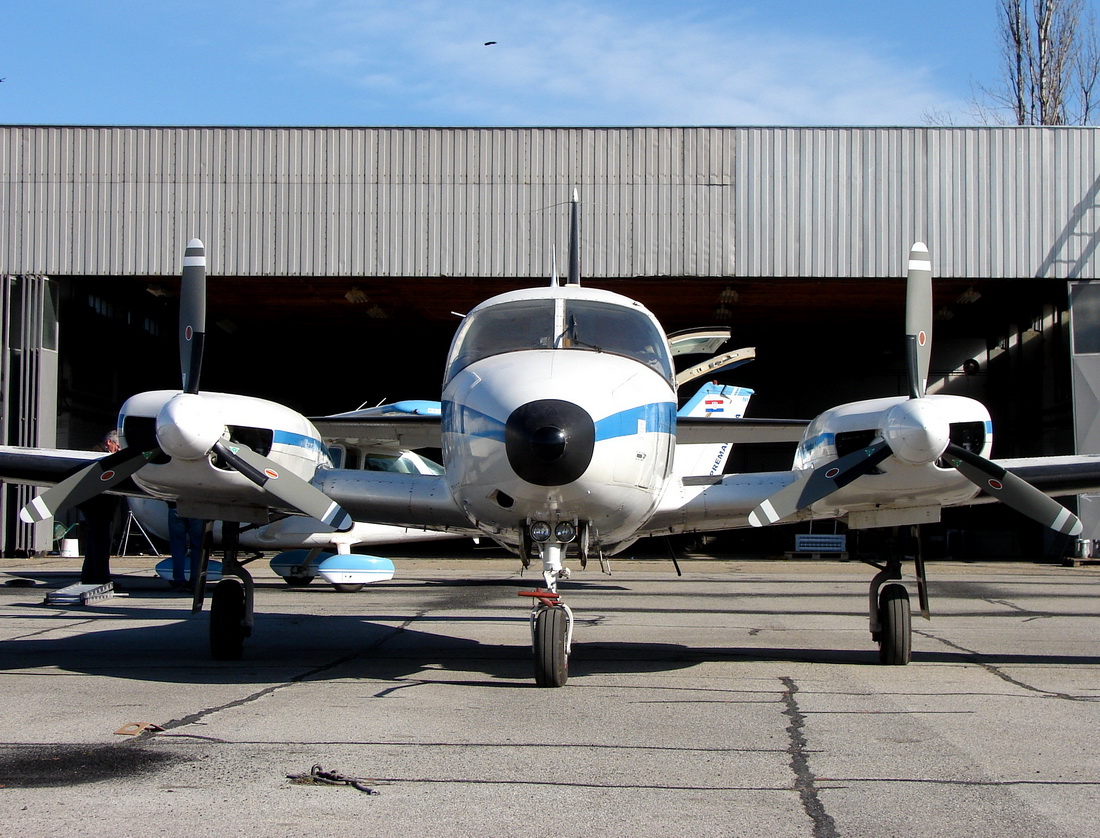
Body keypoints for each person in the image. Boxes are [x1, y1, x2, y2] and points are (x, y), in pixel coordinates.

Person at [78, 431, 121, 585]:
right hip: (97, 507)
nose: (118, 448)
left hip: (97, 507)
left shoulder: (96, 453)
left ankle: (90, 576)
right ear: (109, 442)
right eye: (117, 445)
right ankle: (100, 577)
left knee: (95, 542)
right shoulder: (97, 456)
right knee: (100, 543)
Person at [167, 502, 205, 591]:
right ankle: (196, 581)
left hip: (175, 507)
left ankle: (179, 580)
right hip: (197, 508)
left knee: (177, 547)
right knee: (197, 547)